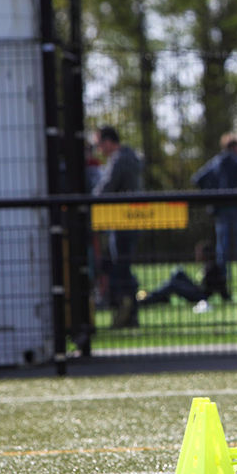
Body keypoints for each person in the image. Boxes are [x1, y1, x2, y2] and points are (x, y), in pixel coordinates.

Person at [92, 125, 144, 329]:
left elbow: (106, 187)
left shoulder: (119, 159)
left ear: (107, 142)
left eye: (99, 144)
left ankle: (127, 314)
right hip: (130, 220)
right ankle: (130, 315)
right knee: (123, 267)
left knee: (121, 268)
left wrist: (90, 199)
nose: (99, 149)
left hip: (122, 221)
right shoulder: (131, 157)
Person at [192, 132, 237, 283]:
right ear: (235, 146)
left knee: (222, 246)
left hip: (221, 208)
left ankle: (222, 277)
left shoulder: (216, 162)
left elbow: (198, 179)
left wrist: (210, 195)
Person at [137, 240, 230, 312]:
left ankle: (147, 300)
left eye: (199, 252)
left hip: (200, 296)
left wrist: (226, 297)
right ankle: (160, 296)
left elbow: (220, 287)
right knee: (178, 272)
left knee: (172, 285)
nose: (196, 255)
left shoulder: (213, 268)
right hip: (197, 290)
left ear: (206, 254)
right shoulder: (207, 265)